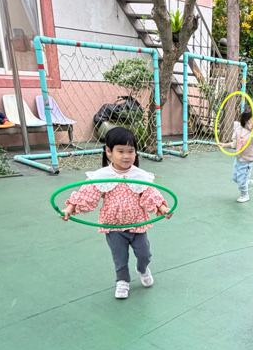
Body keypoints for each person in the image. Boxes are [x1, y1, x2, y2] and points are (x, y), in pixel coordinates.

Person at [61, 126, 171, 299]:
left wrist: (162, 208)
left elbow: (150, 193)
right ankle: (122, 281)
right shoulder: (102, 175)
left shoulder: (139, 175)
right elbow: (87, 194)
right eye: (120, 151)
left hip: (137, 225)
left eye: (131, 151)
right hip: (114, 227)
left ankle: (142, 269)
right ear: (108, 151)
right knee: (120, 258)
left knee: (144, 254)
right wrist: (69, 208)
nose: (126, 156)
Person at [231, 104, 253, 202]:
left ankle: (245, 195)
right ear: (246, 120)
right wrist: (223, 145)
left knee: (241, 182)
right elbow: (234, 144)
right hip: (238, 158)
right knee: (235, 178)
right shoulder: (239, 130)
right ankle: (247, 183)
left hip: (248, 160)